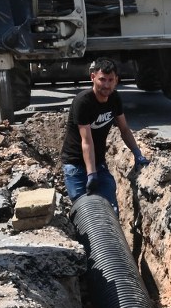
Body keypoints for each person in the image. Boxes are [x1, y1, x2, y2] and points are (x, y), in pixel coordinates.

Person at [59, 58, 147, 213]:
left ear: (116, 81)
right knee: (85, 212)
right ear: (93, 77)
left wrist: (138, 154)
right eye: (102, 80)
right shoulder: (83, 101)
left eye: (110, 80)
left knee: (110, 208)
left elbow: (125, 129)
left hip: (98, 163)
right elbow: (87, 141)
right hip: (76, 165)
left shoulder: (114, 98)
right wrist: (91, 174)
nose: (106, 85)